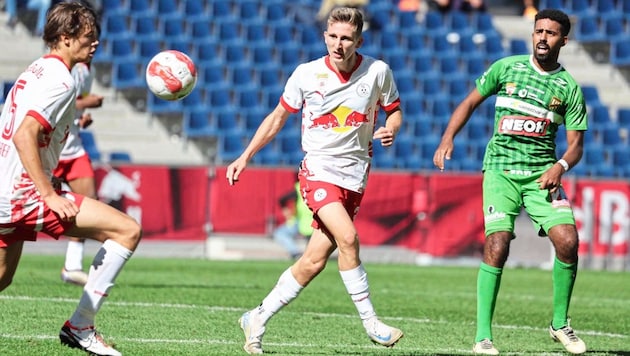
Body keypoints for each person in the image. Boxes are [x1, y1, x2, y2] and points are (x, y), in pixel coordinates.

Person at [226, 7, 404, 354]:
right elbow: (279, 116)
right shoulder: (306, 75)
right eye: (333, 36)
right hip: (318, 171)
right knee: (349, 239)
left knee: (312, 261)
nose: (339, 44)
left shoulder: (378, 72)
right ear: (325, 36)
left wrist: (390, 130)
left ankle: (257, 317)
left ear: (359, 41)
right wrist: (245, 155)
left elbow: (394, 110)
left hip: (355, 177)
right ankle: (372, 324)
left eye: (346, 38)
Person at [433, 9, 587, 355]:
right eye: (538, 31)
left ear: (564, 40)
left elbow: (576, 146)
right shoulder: (506, 68)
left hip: (541, 176)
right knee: (497, 245)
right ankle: (483, 337)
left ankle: (560, 324)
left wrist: (560, 166)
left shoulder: (569, 88)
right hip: (501, 172)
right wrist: (447, 138)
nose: (543, 38)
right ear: (532, 34)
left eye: (550, 33)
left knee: (568, 241)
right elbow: (470, 101)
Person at [0, 2, 141, 356]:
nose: (95, 44)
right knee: (127, 230)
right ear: (64, 38)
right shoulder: (62, 80)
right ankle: (81, 326)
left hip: (6, 189)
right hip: (23, 194)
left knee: (2, 278)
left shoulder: (36, 69)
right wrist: (48, 194)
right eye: (88, 37)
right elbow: (24, 134)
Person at [55, 59, 105, 287]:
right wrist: (88, 102)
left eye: (97, 37)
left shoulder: (88, 70)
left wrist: (82, 116)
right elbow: (59, 102)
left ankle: (72, 266)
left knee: (87, 204)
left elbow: (75, 109)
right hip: (51, 149)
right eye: (90, 35)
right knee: (20, 207)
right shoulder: (63, 66)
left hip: (74, 149)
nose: (94, 43)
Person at [272, 181, 314, 260]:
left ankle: (297, 253)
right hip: (302, 221)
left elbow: (282, 199)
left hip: (310, 223)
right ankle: (296, 253)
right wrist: (287, 212)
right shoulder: (301, 188)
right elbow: (282, 199)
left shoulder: (300, 187)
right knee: (280, 233)